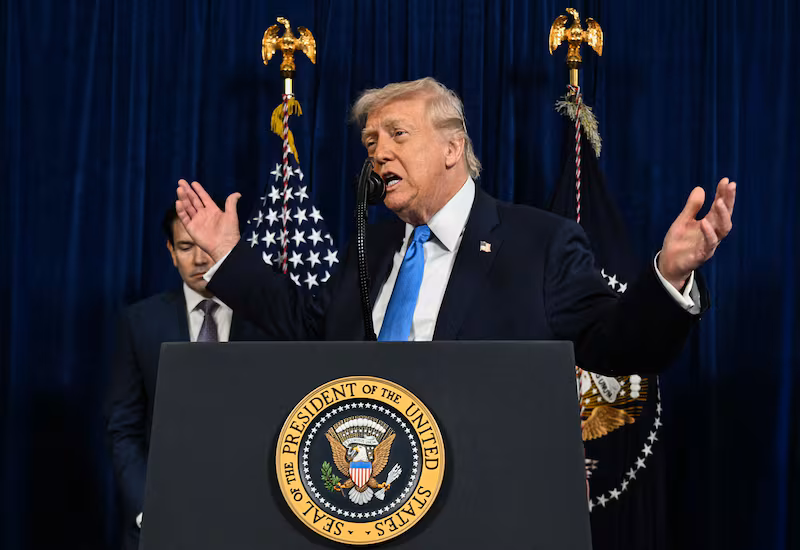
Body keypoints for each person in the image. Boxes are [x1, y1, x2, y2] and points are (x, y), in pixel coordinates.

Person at [173, 77, 735, 375]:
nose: (378, 154)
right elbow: (303, 323)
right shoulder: (371, 250)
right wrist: (228, 257)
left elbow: (618, 348)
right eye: (370, 143)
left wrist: (668, 276)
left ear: (452, 147)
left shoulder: (540, 244)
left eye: (397, 134)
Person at [105, 204, 265, 550]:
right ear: (170, 252)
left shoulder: (267, 320)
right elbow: (124, 429)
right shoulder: (140, 322)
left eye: (206, 246)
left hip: (247, 523)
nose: (199, 260)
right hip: (161, 524)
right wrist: (147, 508)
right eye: (185, 247)